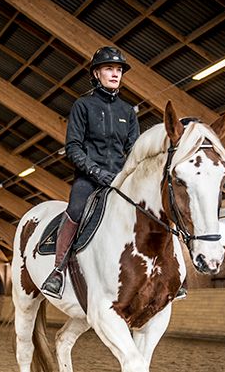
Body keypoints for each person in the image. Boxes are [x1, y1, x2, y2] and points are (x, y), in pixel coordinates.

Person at [41, 46, 140, 299]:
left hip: (119, 180)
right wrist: (96, 171)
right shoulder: (83, 106)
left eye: (118, 70)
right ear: (97, 73)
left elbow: (134, 149)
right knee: (75, 210)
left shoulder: (128, 111)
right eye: (109, 69)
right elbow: (73, 147)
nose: (115, 74)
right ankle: (58, 270)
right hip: (89, 177)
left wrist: (127, 175)